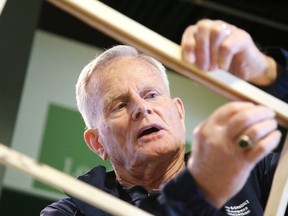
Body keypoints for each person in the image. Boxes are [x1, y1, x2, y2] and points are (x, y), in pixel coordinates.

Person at [41, 19, 288, 216]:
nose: (142, 108)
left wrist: (267, 71)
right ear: (97, 143)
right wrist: (201, 189)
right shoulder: (70, 213)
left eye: (151, 94)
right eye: (119, 105)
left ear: (179, 113)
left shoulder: (256, 174)